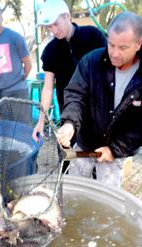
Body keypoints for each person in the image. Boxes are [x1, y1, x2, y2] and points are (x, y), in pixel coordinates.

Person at [56, 12, 142, 187]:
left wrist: (115, 150)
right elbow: (76, 95)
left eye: (122, 48)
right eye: (111, 44)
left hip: (114, 152)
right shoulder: (91, 62)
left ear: (138, 43)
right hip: (85, 143)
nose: (114, 53)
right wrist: (70, 123)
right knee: (73, 191)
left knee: (107, 200)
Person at [32, 0, 106, 141]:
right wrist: (41, 119)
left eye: (55, 24)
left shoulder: (93, 36)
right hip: (69, 114)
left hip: (97, 111)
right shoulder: (50, 50)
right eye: (49, 27)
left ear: (67, 16)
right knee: (71, 154)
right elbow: (48, 88)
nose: (53, 30)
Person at [0, 2, 32, 122]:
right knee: (5, 127)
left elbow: (28, 64)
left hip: (17, 91)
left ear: (2, 17)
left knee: (22, 127)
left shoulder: (15, 37)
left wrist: (21, 79)